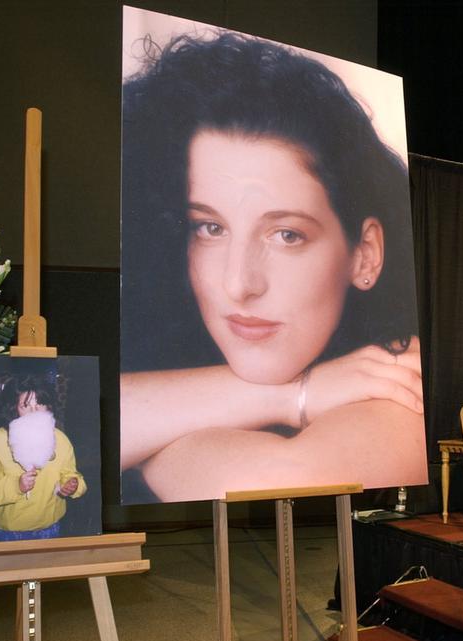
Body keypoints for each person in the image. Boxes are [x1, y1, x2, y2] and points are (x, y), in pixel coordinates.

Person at [119, 28, 424, 502]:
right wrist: (297, 394)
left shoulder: (393, 368)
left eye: (287, 235)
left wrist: (150, 438)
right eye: (210, 228)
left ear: (364, 253)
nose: (239, 284)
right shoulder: (161, 337)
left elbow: (275, 480)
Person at [0, 373, 86, 541]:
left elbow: (70, 474)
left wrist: (72, 485)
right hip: (8, 531)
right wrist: (16, 485)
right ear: (14, 408)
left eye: (40, 404)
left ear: (49, 406)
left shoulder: (60, 439)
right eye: (25, 405)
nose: (34, 411)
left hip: (50, 526)